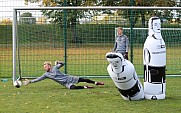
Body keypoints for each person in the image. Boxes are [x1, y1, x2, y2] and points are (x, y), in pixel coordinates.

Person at [23, 61, 104, 89]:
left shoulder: (55, 68)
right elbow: (39, 79)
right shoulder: (46, 74)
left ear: (49, 66)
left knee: (84, 79)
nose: (44, 68)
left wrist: (59, 62)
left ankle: (96, 83)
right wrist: (30, 81)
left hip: (69, 78)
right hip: (65, 83)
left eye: (45, 66)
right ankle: (85, 87)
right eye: (44, 67)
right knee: (73, 88)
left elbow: (63, 63)